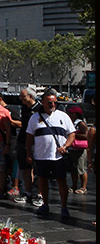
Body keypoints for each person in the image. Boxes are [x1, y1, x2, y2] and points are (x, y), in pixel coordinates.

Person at [25, 90, 75, 219]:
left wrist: (66, 146)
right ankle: (45, 204)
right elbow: (29, 137)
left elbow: (72, 134)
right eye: (49, 102)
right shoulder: (35, 117)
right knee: (42, 180)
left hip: (58, 157)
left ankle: (64, 207)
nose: (52, 104)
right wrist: (29, 153)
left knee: (61, 181)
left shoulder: (63, 116)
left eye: (54, 102)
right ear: (43, 103)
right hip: (42, 156)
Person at [13, 87, 40, 206]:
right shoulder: (24, 108)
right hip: (23, 140)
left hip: (37, 142)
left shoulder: (40, 108)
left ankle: (40, 194)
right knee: (25, 168)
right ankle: (27, 192)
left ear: (31, 97)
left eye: (23, 96)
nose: (21, 99)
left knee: (39, 170)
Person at [66, 114, 91, 195]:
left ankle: (83, 187)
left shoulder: (81, 123)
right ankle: (74, 186)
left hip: (80, 149)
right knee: (73, 169)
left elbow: (86, 135)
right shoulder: (71, 123)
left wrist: (74, 134)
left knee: (81, 168)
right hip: (72, 148)